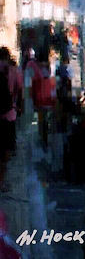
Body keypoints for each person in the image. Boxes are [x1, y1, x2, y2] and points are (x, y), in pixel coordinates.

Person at [0, 47, 17, 193]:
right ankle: (1, 183)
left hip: (5, 114)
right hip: (8, 115)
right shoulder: (10, 71)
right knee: (5, 152)